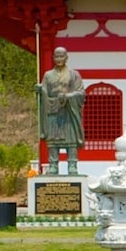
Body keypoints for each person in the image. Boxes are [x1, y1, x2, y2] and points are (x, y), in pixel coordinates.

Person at [39, 47, 86, 175]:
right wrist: (40, 91)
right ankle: (53, 165)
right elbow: (44, 92)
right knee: (53, 138)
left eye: (62, 56)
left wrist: (68, 96)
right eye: (57, 56)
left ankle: (72, 165)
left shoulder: (74, 74)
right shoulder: (48, 75)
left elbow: (81, 93)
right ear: (53, 58)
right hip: (53, 110)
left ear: (66, 57)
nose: (59, 59)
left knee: (71, 138)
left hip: (68, 110)